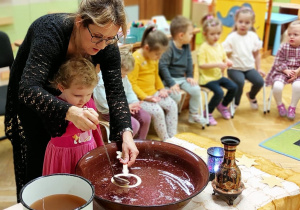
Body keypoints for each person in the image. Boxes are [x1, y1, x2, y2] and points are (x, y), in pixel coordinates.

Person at [5, 0, 138, 200]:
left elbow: (116, 92)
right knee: (38, 165)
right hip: (35, 99)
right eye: (97, 37)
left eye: (110, 38)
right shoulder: (49, 31)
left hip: (70, 97)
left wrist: (126, 133)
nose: (102, 45)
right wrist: (71, 112)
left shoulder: (106, 42)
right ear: (79, 22)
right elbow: (28, 89)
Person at [43, 57, 103, 175]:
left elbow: (96, 128)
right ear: (62, 87)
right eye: (77, 95)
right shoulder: (55, 106)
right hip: (63, 156)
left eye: (89, 94)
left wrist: (101, 149)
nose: (84, 100)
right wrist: (82, 124)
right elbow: (57, 133)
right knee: (65, 186)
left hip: (87, 151)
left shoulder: (89, 102)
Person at [128, 26, 178, 141]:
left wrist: (161, 89)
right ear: (146, 48)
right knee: (158, 112)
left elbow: (156, 75)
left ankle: (173, 137)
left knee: (172, 105)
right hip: (140, 98)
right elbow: (132, 84)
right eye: (157, 54)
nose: (159, 57)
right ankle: (166, 140)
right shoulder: (136, 58)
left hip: (154, 94)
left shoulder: (154, 58)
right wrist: (146, 97)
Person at [94, 46, 151, 139]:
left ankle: (140, 143)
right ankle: (122, 149)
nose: (124, 76)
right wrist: (126, 107)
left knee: (146, 117)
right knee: (134, 125)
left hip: (124, 106)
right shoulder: (101, 80)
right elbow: (104, 103)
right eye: (122, 74)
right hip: (109, 112)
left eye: (126, 74)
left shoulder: (124, 77)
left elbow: (129, 91)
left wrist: (134, 102)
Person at [159, 15, 205, 125]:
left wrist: (189, 76)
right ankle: (169, 117)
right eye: (190, 34)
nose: (192, 36)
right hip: (169, 80)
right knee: (176, 95)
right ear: (181, 35)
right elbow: (162, 66)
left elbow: (189, 61)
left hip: (182, 79)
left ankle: (193, 115)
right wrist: (171, 83)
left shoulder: (186, 45)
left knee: (196, 89)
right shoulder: (169, 47)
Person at [197, 15, 238, 125]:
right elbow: (201, 65)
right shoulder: (203, 48)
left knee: (234, 87)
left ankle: (223, 106)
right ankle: (207, 113)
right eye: (212, 34)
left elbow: (224, 57)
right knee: (219, 92)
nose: (216, 36)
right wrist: (217, 64)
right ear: (205, 34)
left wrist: (227, 61)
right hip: (207, 79)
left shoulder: (219, 46)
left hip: (218, 77)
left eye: (218, 33)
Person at [222, 7, 265, 110]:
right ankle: (235, 103)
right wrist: (222, 70)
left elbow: (257, 54)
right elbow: (224, 55)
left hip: (249, 68)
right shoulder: (232, 37)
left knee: (260, 82)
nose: (243, 25)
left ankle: (251, 95)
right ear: (236, 21)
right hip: (234, 69)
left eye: (247, 22)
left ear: (251, 23)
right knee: (239, 82)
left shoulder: (253, 36)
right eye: (240, 22)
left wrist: (258, 68)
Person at [265, 20, 300, 120]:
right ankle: (280, 104)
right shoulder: (283, 47)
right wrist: (286, 70)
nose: (291, 37)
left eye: (295, 34)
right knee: (277, 87)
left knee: (298, 86)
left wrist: (296, 72)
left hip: (298, 73)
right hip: (282, 71)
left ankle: (292, 107)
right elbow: (278, 62)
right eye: (289, 34)